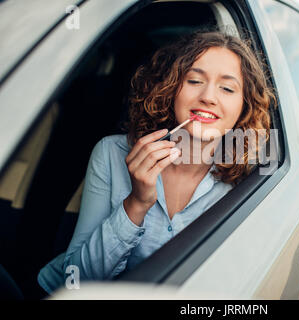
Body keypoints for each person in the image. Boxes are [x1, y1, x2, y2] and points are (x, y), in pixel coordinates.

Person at [37, 31, 274, 294]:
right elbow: (73, 283)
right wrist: (135, 204)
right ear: (171, 88)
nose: (208, 97)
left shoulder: (253, 175)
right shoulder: (111, 153)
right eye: (194, 80)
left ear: (244, 106)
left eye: (227, 88)